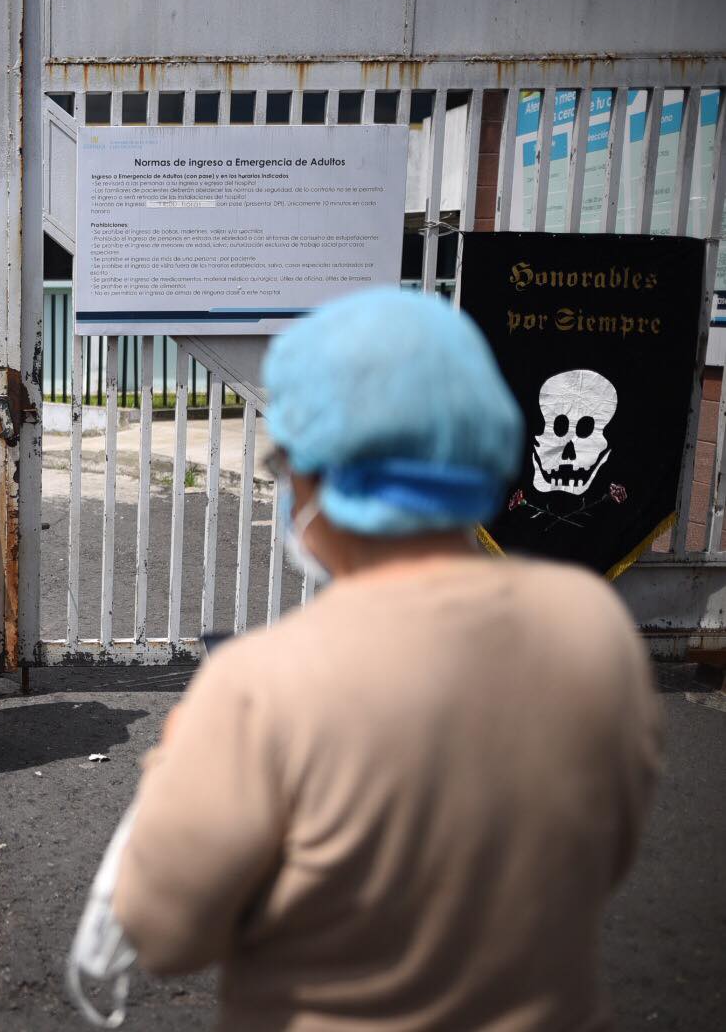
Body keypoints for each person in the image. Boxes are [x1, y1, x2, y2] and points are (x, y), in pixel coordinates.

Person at [110, 289, 661, 1029]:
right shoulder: (594, 626)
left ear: (315, 477)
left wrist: (175, 765)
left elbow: (163, 933)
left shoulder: (259, 686)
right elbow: (607, 856)